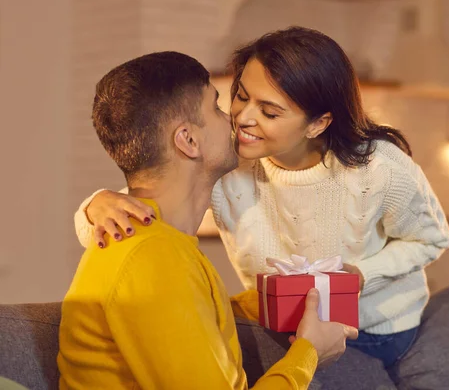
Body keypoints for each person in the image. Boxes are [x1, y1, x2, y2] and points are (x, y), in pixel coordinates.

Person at [74, 27, 449, 384]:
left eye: (269, 112)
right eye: (239, 96)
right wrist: (95, 206)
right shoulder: (228, 164)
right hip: (283, 319)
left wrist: (360, 276)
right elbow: (148, 199)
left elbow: (431, 239)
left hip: (373, 327)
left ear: (317, 124)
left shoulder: (380, 169)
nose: (243, 119)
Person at [58, 51, 358, 390]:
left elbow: (186, 321)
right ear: (188, 140)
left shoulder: (161, 246)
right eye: (216, 107)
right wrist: (310, 352)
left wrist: (284, 295)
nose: (236, 119)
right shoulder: (151, 258)